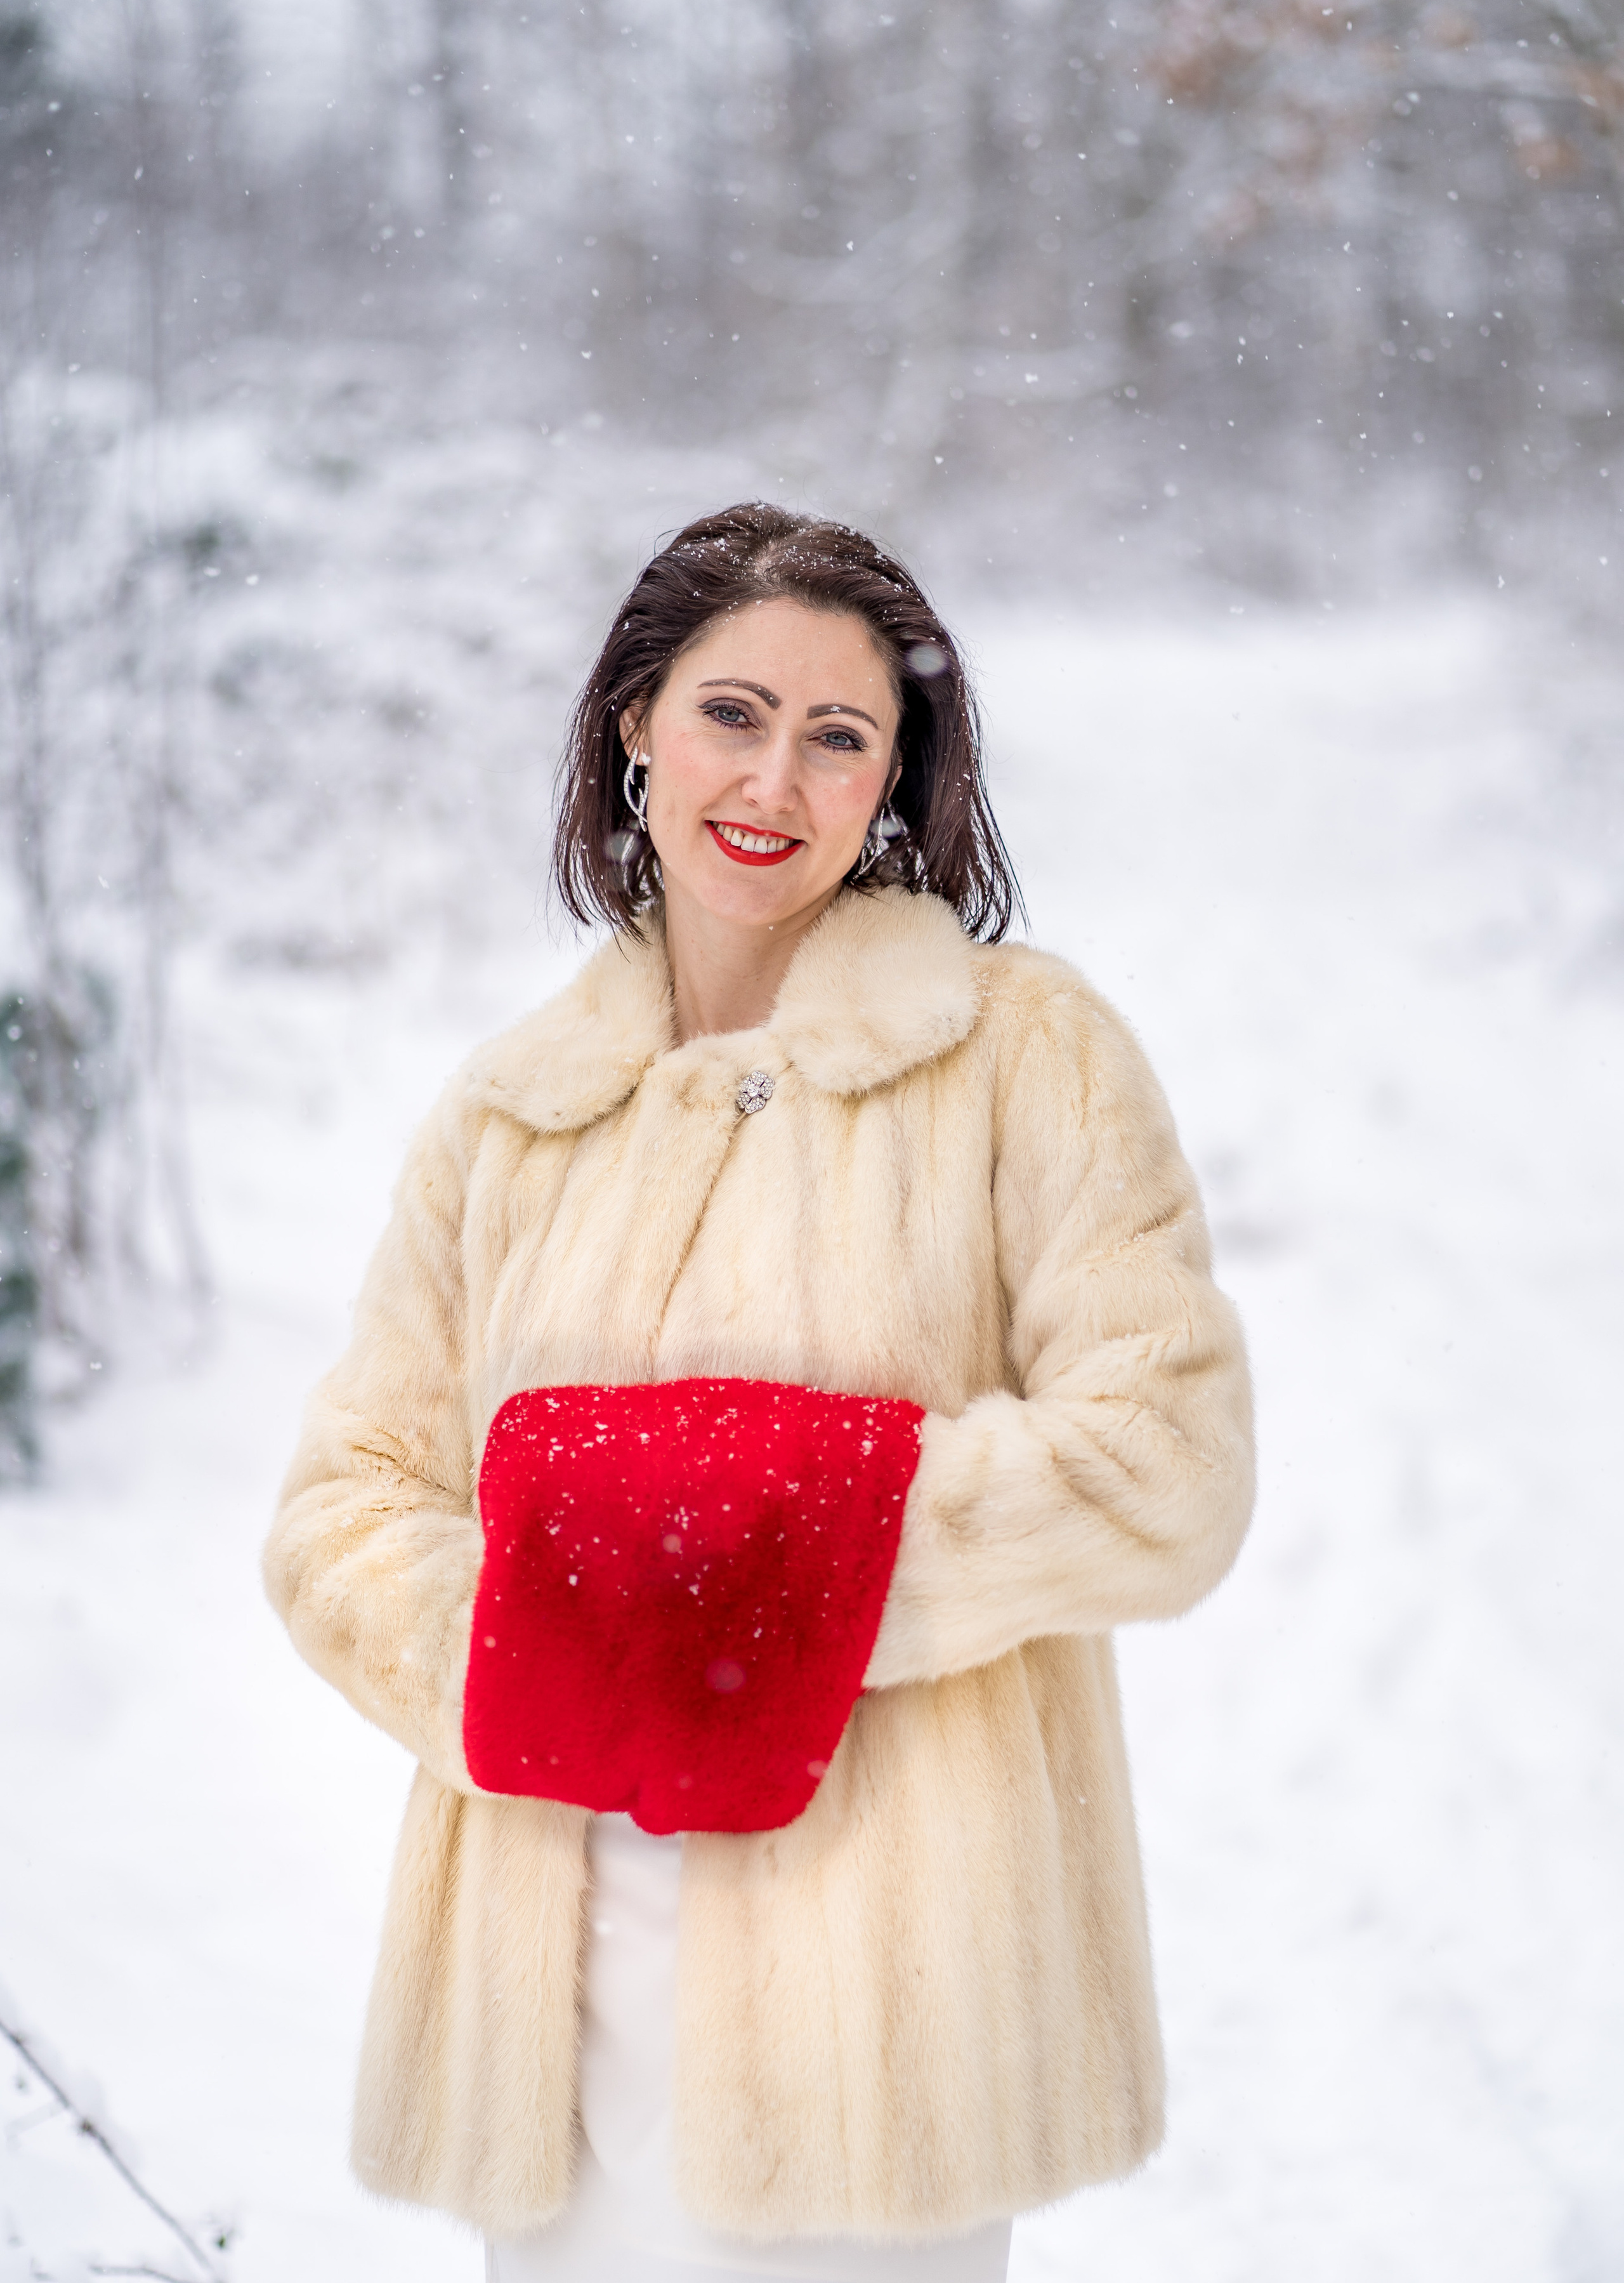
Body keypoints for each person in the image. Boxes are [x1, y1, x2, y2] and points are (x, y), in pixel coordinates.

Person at [265, 502, 1255, 2282]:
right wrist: (553, 1645)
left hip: (881, 2006)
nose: (773, 782)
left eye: (840, 736)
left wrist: (746, 1565)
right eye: (731, 711)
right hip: (547, 1996)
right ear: (635, 721)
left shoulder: (1024, 1054)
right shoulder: (511, 1110)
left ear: (897, 784)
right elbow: (343, 1507)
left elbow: (1165, 1464)